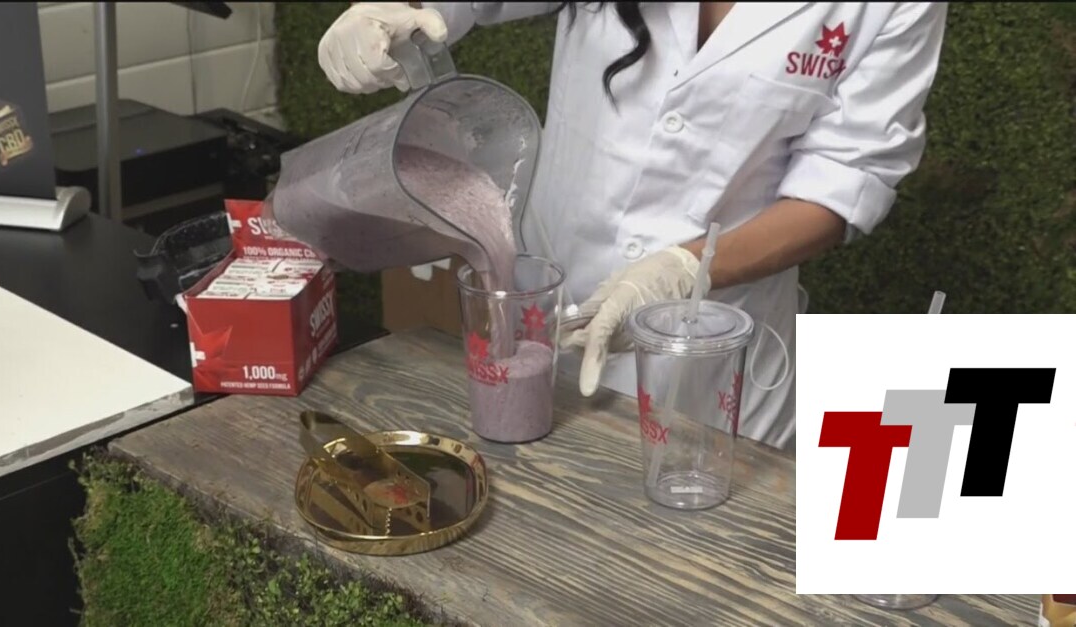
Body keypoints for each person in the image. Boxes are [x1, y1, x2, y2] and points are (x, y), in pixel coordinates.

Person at [316, 2, 949, 452]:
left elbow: (843, 183)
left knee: (691, 556)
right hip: (547, 299)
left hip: (714, 341)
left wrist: (680, 270)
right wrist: (399, 10)